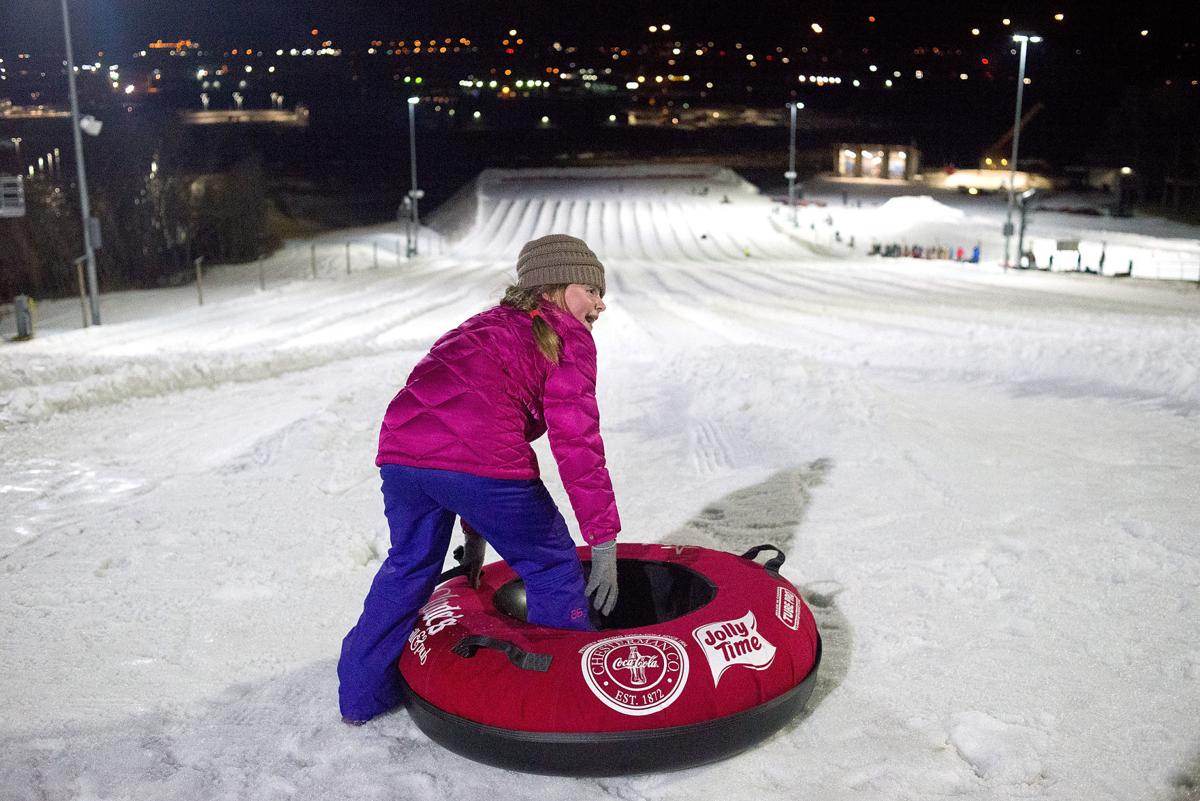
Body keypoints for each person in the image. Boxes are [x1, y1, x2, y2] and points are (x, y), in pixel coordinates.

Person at [337, 233, 622, 724]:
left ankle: (361, 696)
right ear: (554, 285)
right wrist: (603, 542)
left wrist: (472, 538)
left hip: (401, 454)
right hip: (477, 462)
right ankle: (567, 705)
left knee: (408, 565)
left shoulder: (480, 324)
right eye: (591, 290)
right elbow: (577, 446)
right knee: (552, 565)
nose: (600, 304)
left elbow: (459, 413)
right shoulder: (567, 336)